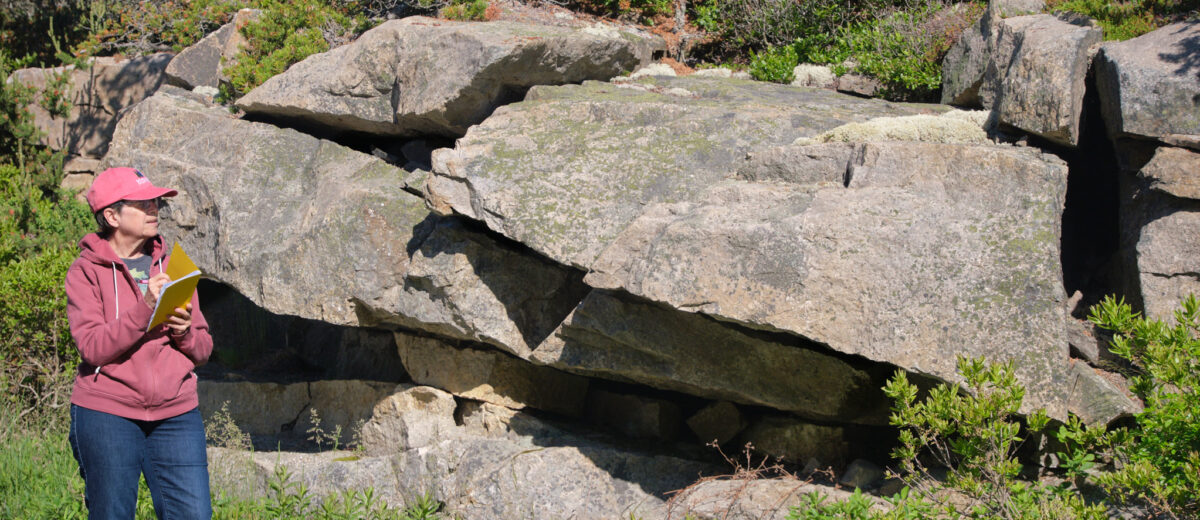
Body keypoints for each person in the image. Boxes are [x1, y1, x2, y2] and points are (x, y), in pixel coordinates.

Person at [65, 166, 214, 519]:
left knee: (194, 515)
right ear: (111, 215)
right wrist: (146, 307)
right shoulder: (85, 271)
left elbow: (204, 349)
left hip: (176, 413)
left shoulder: (174, 266)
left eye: (156, 203)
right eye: (143, 203)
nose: (154, 210)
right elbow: (93, 347)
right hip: (107, 413)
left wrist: (183, 331)